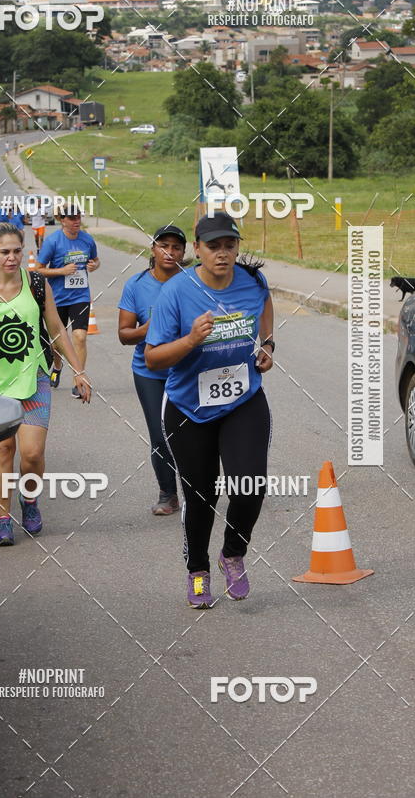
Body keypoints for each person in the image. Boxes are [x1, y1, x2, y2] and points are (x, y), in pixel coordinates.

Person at [145, 212, 275, 609]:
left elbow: (265, 305)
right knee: (200, 497)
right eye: (213, 247)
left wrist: (268, 345)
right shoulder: (176, 293)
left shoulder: (252, 281)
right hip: (189, 407)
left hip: (242, 400)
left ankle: (232, 554)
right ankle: (198, 571)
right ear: (197, 250)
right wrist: (190, 340)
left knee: (250, 485)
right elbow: (152, 359)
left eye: (229, 245)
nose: (222, 254)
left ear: (237, 246)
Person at [0, 222, 91, 547]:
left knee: (32, 454)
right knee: (2, 450)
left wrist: (78, 369)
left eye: (17, 251)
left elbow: (57, 328)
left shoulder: (36, 284)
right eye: (4, 252)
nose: (11, 257)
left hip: (34, 379)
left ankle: (29, 501)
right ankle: (2, 519)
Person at [118, 225, 186, 515]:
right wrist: (149, 328)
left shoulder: (191, 283)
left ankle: (198, 492)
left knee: (192, 433)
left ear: (184, 251)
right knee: (160, 435)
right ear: (153, 249)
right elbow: (124, 334)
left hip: (187, 369)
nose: (170, 252)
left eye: (176, 247)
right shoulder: (136, 285)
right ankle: (167, 494)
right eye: (164, 246)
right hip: (149, 372)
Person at [36, 209, 100, 398]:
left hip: (80, 297)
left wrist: (94, 265)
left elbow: (96, 260)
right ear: (61, 220)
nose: (76, 221)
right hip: (57, 298)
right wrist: (61, 271)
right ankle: (57, 365)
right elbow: (38, 270)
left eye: (78, 217)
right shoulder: (53, 241)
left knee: (79, 337)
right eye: (72, 218)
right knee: (57, 344)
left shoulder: (87, 240)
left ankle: (78, 380)